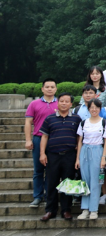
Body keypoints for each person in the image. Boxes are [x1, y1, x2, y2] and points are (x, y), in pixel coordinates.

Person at [39, 93, 81, 222]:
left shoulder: (76, 118)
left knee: (68, 183)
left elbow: (79, 138)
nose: (63, 103)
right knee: (52, 183)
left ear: (71, 104)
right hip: (53, 155)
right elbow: (44, 136)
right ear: (58, 103)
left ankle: (66, 210)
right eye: (61, 101)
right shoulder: (49, 118)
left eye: (66, 101)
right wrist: (42, 153)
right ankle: (50, 210)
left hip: (69, 155)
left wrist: (77, 157)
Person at [75, 99, 106, 220]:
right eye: (91, 107)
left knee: (96, 181)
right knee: (85, 180)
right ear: (88, 109)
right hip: (85, 151)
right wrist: (77, 159)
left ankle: (93, 209)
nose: (94, 109)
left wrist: (103, 158)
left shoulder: (104, 123)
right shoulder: (83, 122)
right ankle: (85, 209)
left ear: (100, 109)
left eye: (96, 107)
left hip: (98, 151)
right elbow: (79, 141)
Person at [25, 78, 58, 208]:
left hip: (55, 140)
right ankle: (37, 196)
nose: (50, 89)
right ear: (42, 89)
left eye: (52, 87)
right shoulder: (34, 104)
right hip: (38, 138)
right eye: (47, 87)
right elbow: (28, 122)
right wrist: (28, 140)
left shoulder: (60, 103)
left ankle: (49, 195)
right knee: (38, 170)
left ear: (56, 89)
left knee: (52, 170)